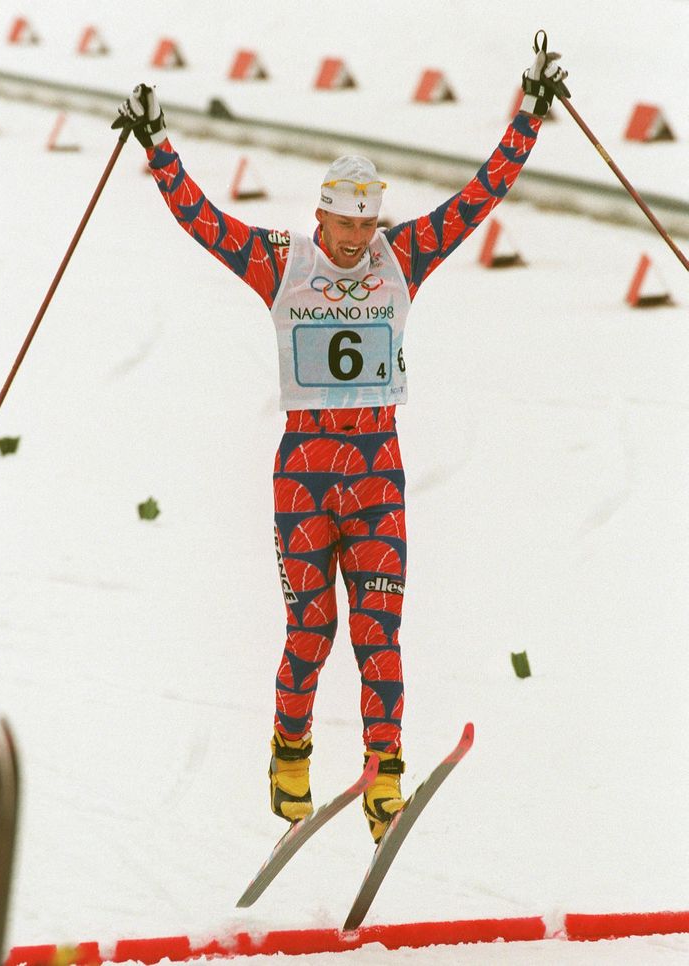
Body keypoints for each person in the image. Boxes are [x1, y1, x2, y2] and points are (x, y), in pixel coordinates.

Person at [114, 40, 568, 843]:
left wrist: (529, 115)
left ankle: (383, 775)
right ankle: (290, 756)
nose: (356, 237)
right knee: (311, 634)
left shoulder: (404, 257)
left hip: (375, 473)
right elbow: (203, 222)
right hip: (304, 477)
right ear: (319, 214)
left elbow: (477, 199)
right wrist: (158, 146)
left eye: (367, 221)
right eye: (343, 221)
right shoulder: (281, 264)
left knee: (380, 633)